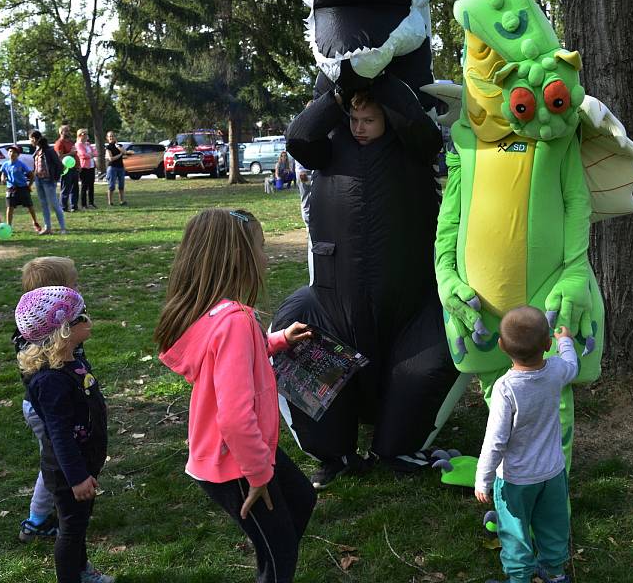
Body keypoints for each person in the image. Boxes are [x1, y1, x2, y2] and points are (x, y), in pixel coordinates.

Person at [272, 76, 461, 488]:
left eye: (369, 120)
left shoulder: (409, 150)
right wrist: (337, 93)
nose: (359, 127)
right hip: (334, 300)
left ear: (387, 120)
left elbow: (425, 136)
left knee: (426, 360)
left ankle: (398, 445)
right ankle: (332, 451)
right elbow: (299, 138)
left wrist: (386, 81)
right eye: (354, 119)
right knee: (297, 339)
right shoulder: (331, 148)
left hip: (409, 303)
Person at [155, 208, 317, 583]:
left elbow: (232, 361)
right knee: (281, 558)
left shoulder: (215, 314)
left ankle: (268, 553)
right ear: (238, 257)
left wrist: (275, 341)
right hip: (238, 462)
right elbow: (235, 416)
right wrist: (259, 474)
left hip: (243, 449)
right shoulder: (235, 321)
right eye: (260, 247)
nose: (266, 256)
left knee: (301, 502)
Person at [16, 286, 112, 583]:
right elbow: (58, 435)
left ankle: (81, 570)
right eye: (82, 316)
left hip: (84, 461)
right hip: (69, 470)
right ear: (64, 330)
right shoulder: (52, 381)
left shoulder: (70, 362)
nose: (89, 319)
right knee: (70, 530)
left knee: (79, 525)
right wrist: (77, 477)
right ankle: (72, 576)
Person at [475, 306, 577, 583]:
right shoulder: (556, 370)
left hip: (515, 480)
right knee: (553, 527)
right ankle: (555, 574)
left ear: (500, 345)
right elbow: (572, 365)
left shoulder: (505, 388)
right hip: (553, 474)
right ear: (547, 344)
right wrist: (565, 340)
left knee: (516, 533)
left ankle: (520, 578)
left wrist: (482, 480)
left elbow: (495, 441)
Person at [14, 257, 80, 544]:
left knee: (56, 453)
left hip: (44, 405)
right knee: (53, 459)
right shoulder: (45, 336)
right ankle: (37, 519)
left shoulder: (42, 326)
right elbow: (51, 380)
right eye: (72, 285)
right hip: (44, 408)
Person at [30, 130, 67, 236]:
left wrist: (54, 178)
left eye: (31, 139)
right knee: (43, 204)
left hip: (48, 181)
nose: (30, 141)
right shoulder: (37, 150)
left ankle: (63, 228)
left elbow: (59, 165)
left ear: (35, 138)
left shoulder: (49, 150)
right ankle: (47, 228)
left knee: (54, 204)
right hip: (39, 180)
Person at [1, 145, 42, 233]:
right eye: (10, 151)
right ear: (8, 153)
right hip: (11, 189)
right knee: (9, 207)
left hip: (22, 188)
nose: (12, 153)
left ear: (18, 154)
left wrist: (29, 185)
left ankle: (35, 223)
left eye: (14, 152)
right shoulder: (5, 164)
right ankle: (9, 227)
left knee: (30, 206)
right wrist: (3, 178)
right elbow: (3, 173)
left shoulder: (21, 164)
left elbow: (31, 175)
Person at [54, 125, 79, 213]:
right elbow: (59, 157)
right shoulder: (59, 143)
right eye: (66, 131)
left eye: (68, 130)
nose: (68, 132)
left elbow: (74, 154)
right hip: (65, 169)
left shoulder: (70, 142)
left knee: (74, 188)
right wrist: (70, 153)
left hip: (74, 168)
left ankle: (74, 206)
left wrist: (77, 165)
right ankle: (63, 207)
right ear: (61, 132)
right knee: (65, 188)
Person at [104, 131, 128, 206]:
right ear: (107, 138)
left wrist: (118, 147)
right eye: (109, 136)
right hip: (112, 168)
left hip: (121, 167)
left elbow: (125, 152)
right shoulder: (108, 147)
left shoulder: (119, 145)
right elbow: (111, 159)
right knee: (112, 186)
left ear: (115, 137)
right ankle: (110, 202)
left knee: (121, 185)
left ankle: (122, 201)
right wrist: (120, 154)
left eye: (112, 136)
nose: (111, 137)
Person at [75, 130, 97, 210]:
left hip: (91, 166)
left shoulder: (88, 144)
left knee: (91, 185)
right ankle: (83, 204)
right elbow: (83, 155)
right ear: (80, 135)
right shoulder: (78, 145)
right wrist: (90, 155)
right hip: (84, 167)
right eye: (84, 134)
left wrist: (90, 154)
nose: (86, 135)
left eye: (86, 134)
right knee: (84, 186)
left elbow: (95, 153)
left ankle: (91, 203)